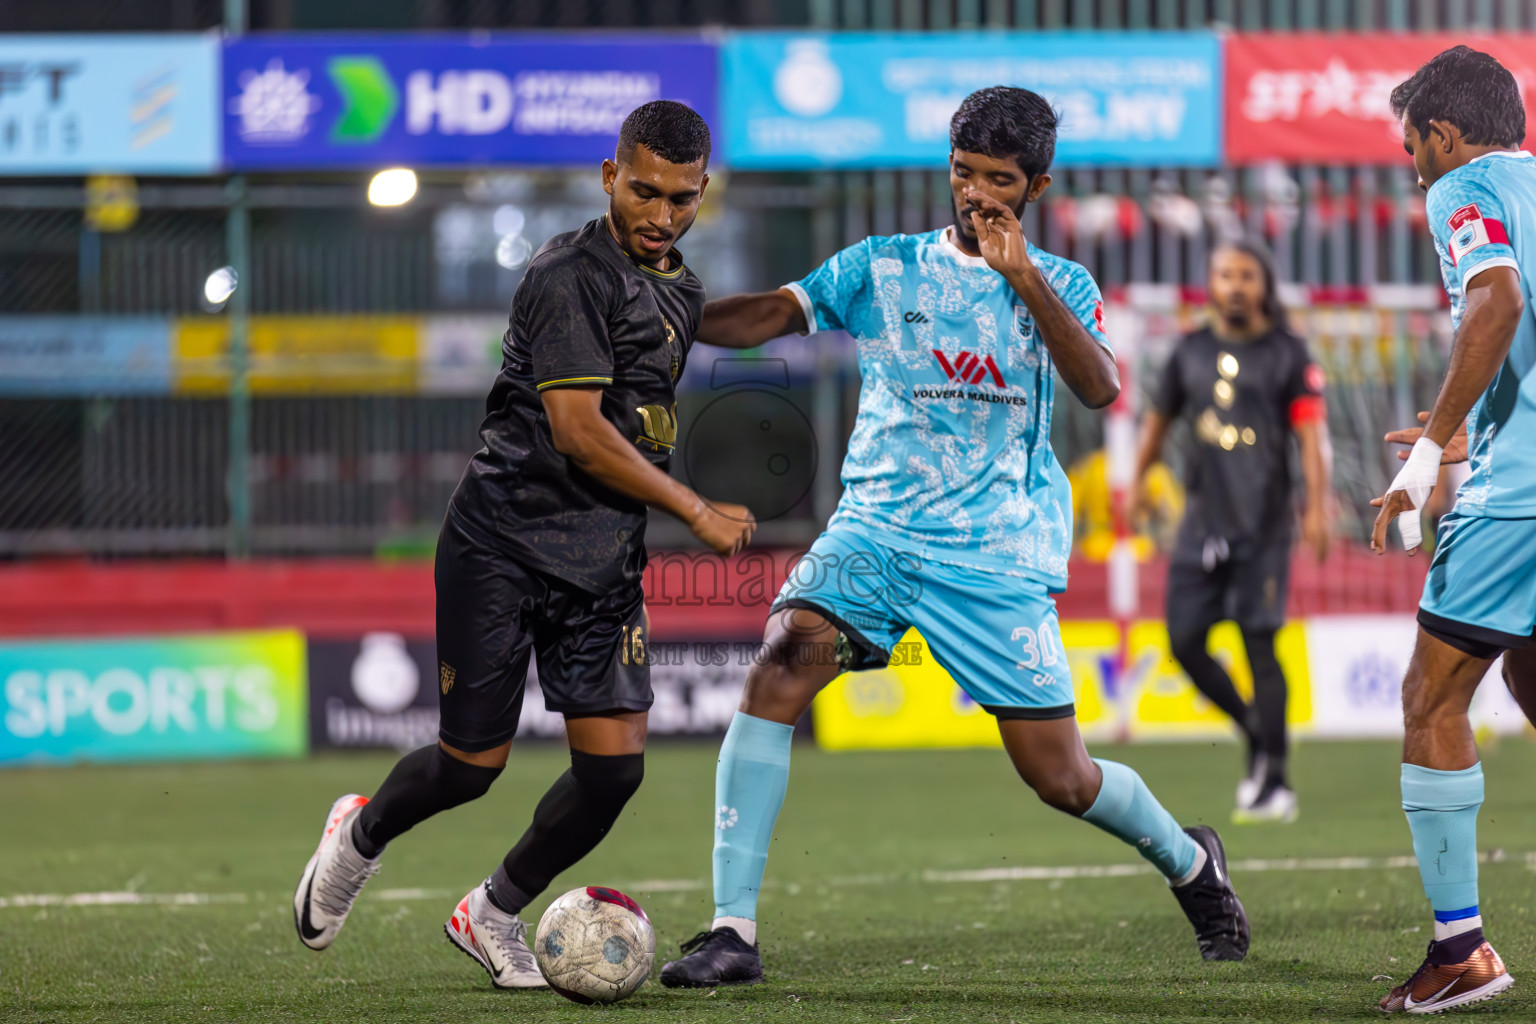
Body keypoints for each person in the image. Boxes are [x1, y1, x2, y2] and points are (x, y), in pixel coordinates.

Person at [657, 86, 1249, 990]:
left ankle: (1191, 862)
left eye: (999, 181)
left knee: (1063, 780)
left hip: (993, 554)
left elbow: (1099, 387)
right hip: (877, 532)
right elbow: (770, 315)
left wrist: (1024, 276)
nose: (976, 195)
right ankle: (730, 930)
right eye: (964, 174)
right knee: (782, 659)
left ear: (1038, 185)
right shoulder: (884, 267)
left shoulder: (1064, 286)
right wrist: (654, 309)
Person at [290, 100, 756, 989]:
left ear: (704, 193)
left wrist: (831, 301)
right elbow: (578, 431)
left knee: (613, 774)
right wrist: (693, 509)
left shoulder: (677, 283)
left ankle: (492, 911)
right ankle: (359, 838)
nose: (662, 216)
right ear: (610, 176)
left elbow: (719, 318)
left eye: (683, 200)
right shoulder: (567, 275)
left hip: (603, 562)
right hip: (502, 542)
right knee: (471, 766)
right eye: (646, 193)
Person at [1370, 45, 1534, 1014]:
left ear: (1442, 132)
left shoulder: (1462, 187)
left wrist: (1431, 452)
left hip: (1520, 501)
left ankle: (1461, 950)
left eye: (1412, 149)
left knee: (1432, 700)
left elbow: (1500, 298)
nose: (1413, 169)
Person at [1130, 240, 1330, 824]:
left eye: (1246, 275)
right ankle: (1255, 732)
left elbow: (1312, 437)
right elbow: (1158, 421)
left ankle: (1277, 778)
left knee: (1258, 640)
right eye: (1225, 274)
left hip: (1264, 521)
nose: (1236, 284)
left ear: (1264, 284)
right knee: (1184, 640)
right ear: (1210, 283)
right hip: (1201, 521)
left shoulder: (1288, 354)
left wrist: (1317, 506)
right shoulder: (1188, 351)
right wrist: (1140, 478)